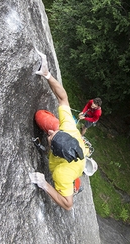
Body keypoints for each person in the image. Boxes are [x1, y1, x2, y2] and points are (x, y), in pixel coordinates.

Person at [29, 48, 88, 211]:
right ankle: (76, 181)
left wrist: (44, 184)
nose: (49, 133)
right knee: (41, 116)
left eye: (50, 137)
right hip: (76, 159)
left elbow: (68, 205)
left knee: (67, 181)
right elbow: (63, 98)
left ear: (55, 152)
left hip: (70, 170)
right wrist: (47, 74)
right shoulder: (69, 129)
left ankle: (74, 184)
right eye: (54, 133)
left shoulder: (61, 174)